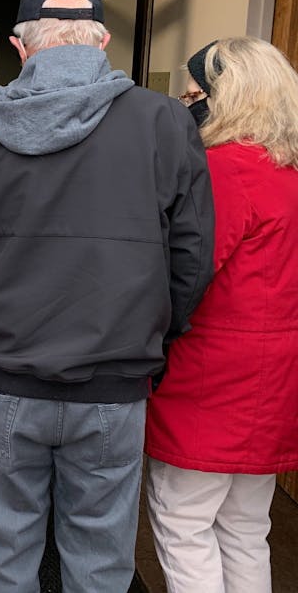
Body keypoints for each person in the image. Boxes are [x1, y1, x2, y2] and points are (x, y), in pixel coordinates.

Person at [0, 0, 215, 592]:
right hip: (115, 381)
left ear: (20, 44)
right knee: (102, 555)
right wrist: (156, 334)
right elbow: (191, 256)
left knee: (6, 548)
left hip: (3, 375)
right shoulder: (166, 121)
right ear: (100, 41)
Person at [145, 37, 298, 593]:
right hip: (276, 376)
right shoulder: (289, 172)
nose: (188, 100)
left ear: (227, 96)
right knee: (245, 527)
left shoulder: (224, 171)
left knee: (183, 521)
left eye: (197, 89)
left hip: (212, 374)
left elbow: (188, 274)